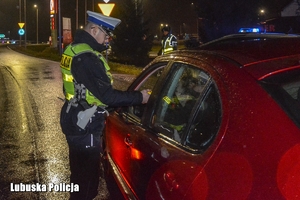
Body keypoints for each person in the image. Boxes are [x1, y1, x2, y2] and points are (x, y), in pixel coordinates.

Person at [59, 10, 150, 200]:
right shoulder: (88, 58)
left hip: (75, 118)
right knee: (86, 185)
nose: (107, 39)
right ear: (94, 30)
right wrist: (140, 98)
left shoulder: (74, 49)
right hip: (85, 126)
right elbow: (107, 96)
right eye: (105, 34)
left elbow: (76, 88)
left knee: (79, 178)